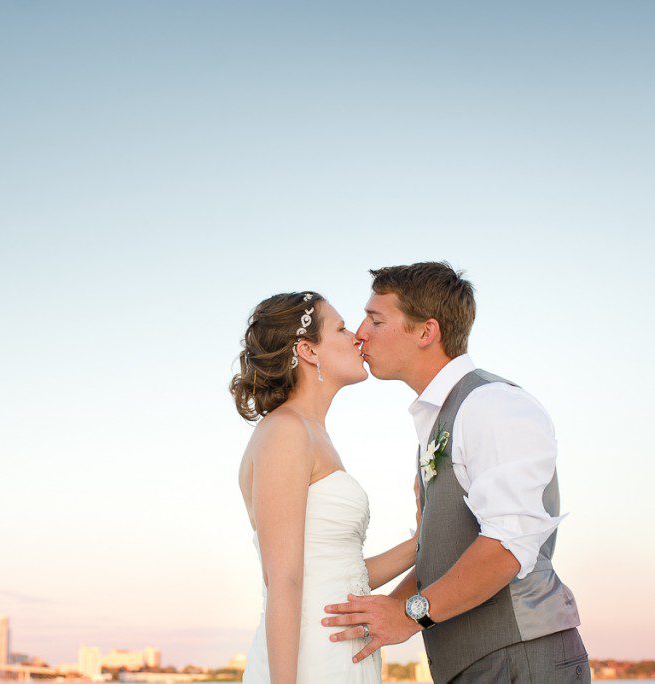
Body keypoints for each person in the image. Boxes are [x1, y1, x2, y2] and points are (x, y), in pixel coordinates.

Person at [323, 262, 587, 683]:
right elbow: (444, 550)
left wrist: (410, 615)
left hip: (520, 659)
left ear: (426, 332)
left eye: (375, 319)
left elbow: (506, 546)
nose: (360, 333)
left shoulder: (492, 405)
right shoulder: (438, 419)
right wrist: (382, 613)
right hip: (474, 665)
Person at [231, 291, 420, 684]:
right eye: (340, 327)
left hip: (343, 648)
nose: (357, 337)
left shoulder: (315, 434)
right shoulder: (286, 431)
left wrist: (421, 540)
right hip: (308, 656)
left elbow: (340, 572)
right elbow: (283, 578)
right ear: (308, 350)